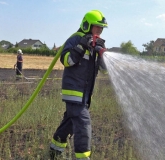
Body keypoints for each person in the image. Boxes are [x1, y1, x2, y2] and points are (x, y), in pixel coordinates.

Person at [49, 10, 108, 160]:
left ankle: (54, 151)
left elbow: (104, 71)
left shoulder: (96, 44)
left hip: (84, 94)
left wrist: (101, 55)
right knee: (83, 123)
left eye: (101, 29)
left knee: (69, 122)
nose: (99, 31)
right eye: (97, 27)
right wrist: (82, 46)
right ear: (87, 25)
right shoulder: (75, 39)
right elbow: (67, 61)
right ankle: (83, 157)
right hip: (74, 91)